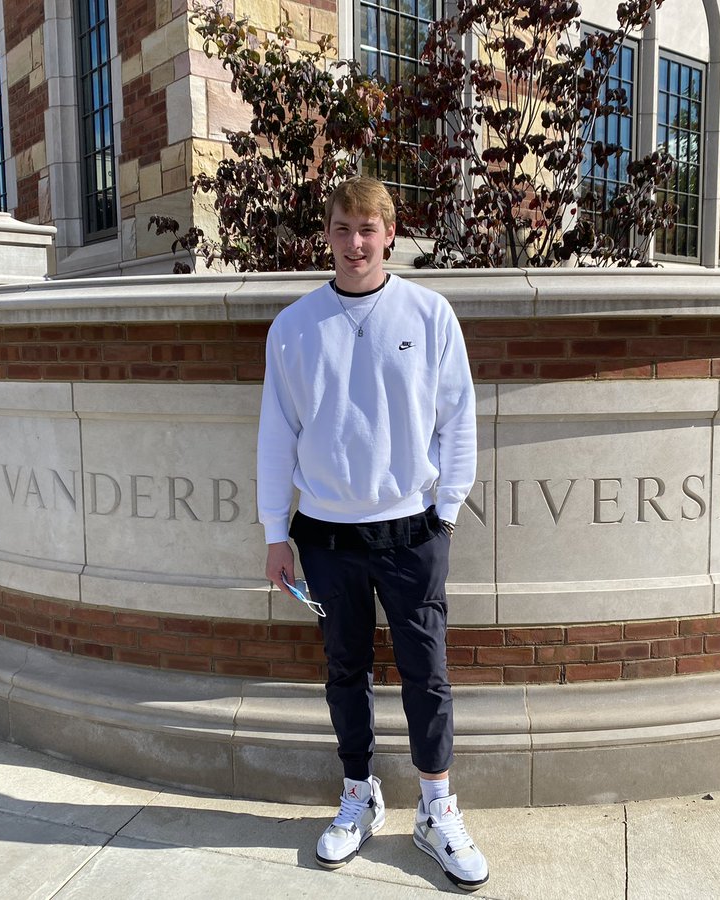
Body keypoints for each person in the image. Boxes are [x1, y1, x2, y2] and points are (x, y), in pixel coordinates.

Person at [255, 175, 488, 891]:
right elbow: (276, 436)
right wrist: (275, 532)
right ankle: (358, 794)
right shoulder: (294, 326)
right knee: (344, 672)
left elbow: (458, 420)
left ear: (390, 234)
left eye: (368, 229)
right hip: (325, 536)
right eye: (342, 228)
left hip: (413, 532)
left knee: (428, 674)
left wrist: (445, 513)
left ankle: (435, 808)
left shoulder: (429, 312)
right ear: (325, 235)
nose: (355, 243)